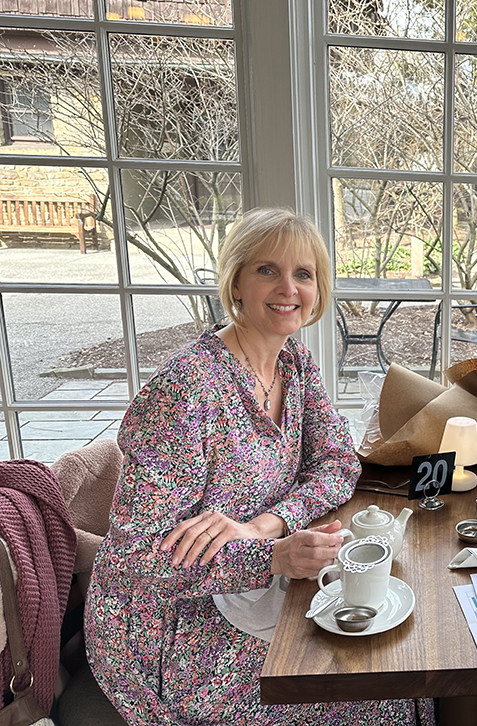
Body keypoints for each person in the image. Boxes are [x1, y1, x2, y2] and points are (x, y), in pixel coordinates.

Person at [85, 208, 434, 725]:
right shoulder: (184, 392)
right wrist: (269, 559)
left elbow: (338, 464)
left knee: (403, 667)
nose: (288, 287)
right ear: (237, 283)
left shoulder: (293, 363)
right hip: (168, 633)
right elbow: (137, 563)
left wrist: (261, 528)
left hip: (253, 591)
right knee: (380, 693)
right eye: (267, 270)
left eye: (304, 273)